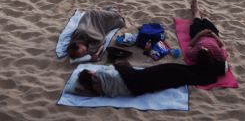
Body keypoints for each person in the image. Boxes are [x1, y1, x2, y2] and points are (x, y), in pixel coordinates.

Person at [77, 53, 227, 97]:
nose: (93, 71)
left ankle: (212, 68)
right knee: (177, 72)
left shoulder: (97, 87)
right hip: (138, 82)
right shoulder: (99, 79)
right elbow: (111, 71)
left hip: (137, 80)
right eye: (91, 72)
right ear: (91, 76)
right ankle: (215, 71)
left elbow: (81, 90)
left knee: (175, 69)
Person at [187, 0, 229, 67]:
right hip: (211, 34)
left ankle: (196, 11)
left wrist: (200, 34)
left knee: (197, 18)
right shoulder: (219, 55)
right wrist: (213, 35)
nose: (203, 47)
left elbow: (190, 46)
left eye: (202, 48)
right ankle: (201, 14)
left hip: (197, 34)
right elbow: (222, 45)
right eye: (205, 49)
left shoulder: (194, 54)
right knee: (205, 20)